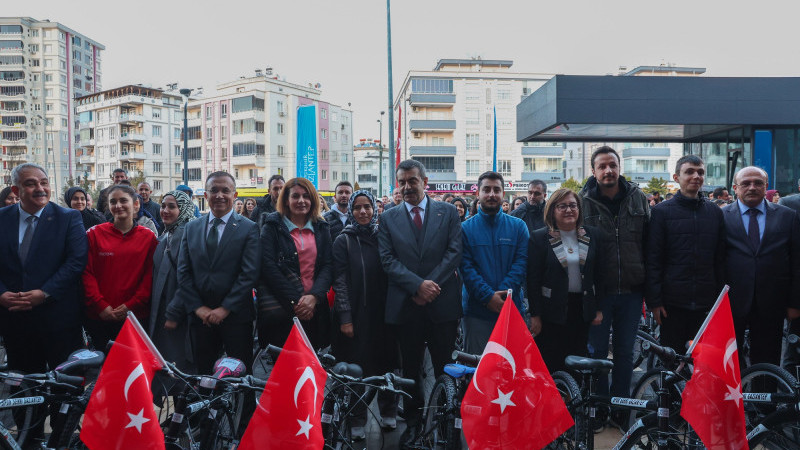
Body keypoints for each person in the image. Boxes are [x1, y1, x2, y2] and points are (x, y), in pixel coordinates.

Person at [0, 163, 88, 443]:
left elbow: (76, 262)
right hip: (16, 322)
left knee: (64, 387)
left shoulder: (68, 218)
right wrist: (1, 293)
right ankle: (29, 439)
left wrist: (44, 293)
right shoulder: (2, 218)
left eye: (44, 182)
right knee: (23, 385)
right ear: (15, 190)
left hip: (58, 320)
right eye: (31, 184)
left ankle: (60, 440)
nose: (40, 188)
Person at [377, 159, 462, 445]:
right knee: (411, 370)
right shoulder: (388, 218)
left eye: (412, 181)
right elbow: (387, 260)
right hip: (407, 305)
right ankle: (413, 423)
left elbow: (454, 253)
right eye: (401, 182)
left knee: (444, 368)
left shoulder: (447, 212)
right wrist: (416, 286)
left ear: (425, 182)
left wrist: (429, 286)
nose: (406, 187)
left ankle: (445, 423)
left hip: (441, 304)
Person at [167, 172, 260, 375]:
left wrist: (224, 309)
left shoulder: (249, 228)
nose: (219, 195)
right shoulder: (191, 228)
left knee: (239, 378)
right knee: (203, 375)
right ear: (205, 195)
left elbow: (249, 273)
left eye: (225, 190)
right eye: (214, 190)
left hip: (236, 317)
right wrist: (198, 308)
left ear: (234, 195)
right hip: (201, 319)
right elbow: (183, 272)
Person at [579, 146, 649, 401]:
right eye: (602, 166)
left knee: (625, 352)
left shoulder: (637, 197)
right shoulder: (582, 202)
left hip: (632, 291)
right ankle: (599, 406)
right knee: (596, 352)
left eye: (613, 165)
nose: (608, 170)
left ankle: (621, 405)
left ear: (620, 168)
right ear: (593, 170)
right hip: (599, 293)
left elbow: (648, 243)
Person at [331, 190, 399, 437]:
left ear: (375, 209)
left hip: (385, 313)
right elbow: (339, 282)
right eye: (357, 207)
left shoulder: (385, 237)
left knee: (387, 363)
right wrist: (345, 318)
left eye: (367, 207)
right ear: (351, 211)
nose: (363, 212)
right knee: (357, 368)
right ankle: (357, 418)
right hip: (357, 314)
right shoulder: (344, 240)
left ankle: (389, 410)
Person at [645, 155, 726, 354]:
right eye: (689, 172)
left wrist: (720, 301)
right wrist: (655, 301)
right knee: (672, 362)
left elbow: (720, 260)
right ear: (676, 177)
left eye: (700, 172)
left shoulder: (714, 212)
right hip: (672, 303)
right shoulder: (661, 212)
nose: (696, 176)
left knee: (704, 361)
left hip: (706, 303)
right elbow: (653, 258)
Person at [723, 167, 800, 367]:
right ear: (735, 188)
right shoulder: (721, 217)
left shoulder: (788, 216)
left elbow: (796, 262)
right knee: (729, 363)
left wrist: (795, 303)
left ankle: (763, 389)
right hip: (731, 303)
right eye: (746, 183)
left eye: (758, 183)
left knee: (767, 363)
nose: (752, 187)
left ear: (766, 186)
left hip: (772, 302)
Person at [528, 188, 603, 373]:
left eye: (573, 205)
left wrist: (598, 309)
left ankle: (574, 392)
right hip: (551, 312)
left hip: (582, 310)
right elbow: (532, 279)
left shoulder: (593, 235)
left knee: (577, 362)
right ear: (552, 210)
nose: (569, 210)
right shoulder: (539, 237)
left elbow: (600, 275)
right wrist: (535, 315)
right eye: (562, 206)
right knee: (551, 363)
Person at [258, 177, 333, 349]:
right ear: (286, 200)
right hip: (283, 310)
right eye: (295, 196)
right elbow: (267, 266)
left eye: (306, 196)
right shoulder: (272, 226)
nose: (301, 201)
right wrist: (297, 302)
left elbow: (328, 265)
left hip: (315, 309)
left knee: (312, 362)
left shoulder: (322, 227)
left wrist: (313, 297)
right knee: (285, 363)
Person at [82, 185, 158, 352]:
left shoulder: (148, 237)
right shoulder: (94, 234)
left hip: (135, 316)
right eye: (113, 202)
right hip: (99, 316)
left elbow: (150, 277)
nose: (118, 206)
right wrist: (100, 305)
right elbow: (86, 273)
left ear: (136, 204)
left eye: (123, 200)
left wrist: (131, 305)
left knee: (132, 363)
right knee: (104, 363)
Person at [460, 171, 528, 353]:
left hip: (511, 311)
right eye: (486, 189)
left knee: (512, 367)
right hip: (477, 314)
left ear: (503, 193)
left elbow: (521, 264)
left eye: (496, 190)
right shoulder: (464, 229)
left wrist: (502, 297)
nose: (491, 194)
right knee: (478, 367)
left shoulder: (518, 227)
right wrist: (488, 297)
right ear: (478, 193)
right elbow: (466, 269)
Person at [150, 190, 195, 377]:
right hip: (165, 309)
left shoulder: (186, 234)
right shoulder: (168, 234)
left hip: (179, 314)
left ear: (183, 209)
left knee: (178, 367)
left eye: (172, 207)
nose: (165, 210)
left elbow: (190, 277)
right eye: (163, 206)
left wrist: (175, 313)